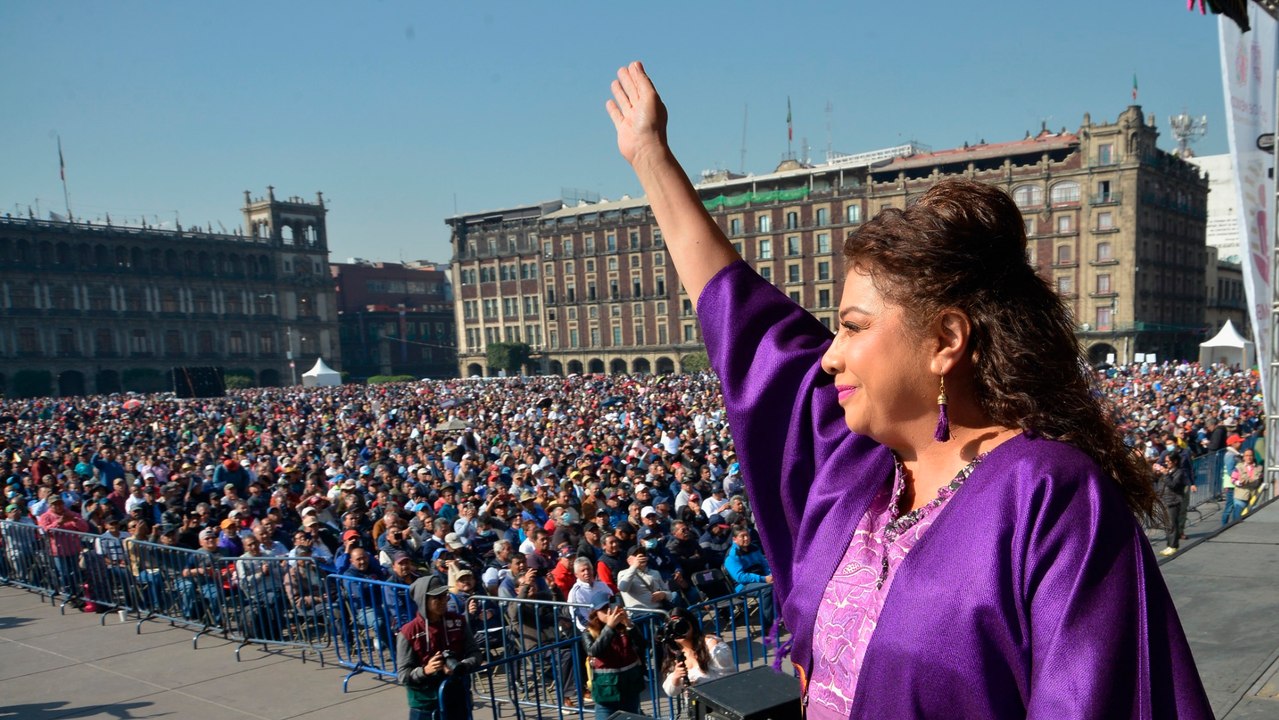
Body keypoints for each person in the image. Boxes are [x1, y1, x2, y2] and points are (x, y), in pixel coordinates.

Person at [605, 60, 1210, 717]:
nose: (829, 356)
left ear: (944, 339)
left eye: (852, 327)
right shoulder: (856, 473)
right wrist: (651, 158)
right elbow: (750, 331)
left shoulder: (1048, 496)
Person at [396, 574, 482, 720]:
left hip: (457, 695)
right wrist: (426, 670)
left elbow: (475, 653)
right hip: (425, 704)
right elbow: (403, 675)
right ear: (423, 600)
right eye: (437, 598)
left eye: (445, 595)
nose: (444, 601)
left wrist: (462, 665)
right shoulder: (408, 632)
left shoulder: (458, 621)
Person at [582, 595, 646, 720]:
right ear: (595, 613)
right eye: (604, 610)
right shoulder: (589, 632)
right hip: (606, 693)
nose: (609, 613)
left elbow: (642, 645)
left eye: (611, 608)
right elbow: (593, 651)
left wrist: (629, 624)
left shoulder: (625, 628)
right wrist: (609, 627)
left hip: (630, 689)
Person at [658, 606, 734, 698]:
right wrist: (676, 676)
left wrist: (699, 684)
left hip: (720, 699)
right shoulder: (674, 653)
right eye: (673, 627)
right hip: (696, 704)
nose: (678, 630)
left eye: (682, 625)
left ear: (692, 625)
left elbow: (728, 679)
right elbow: (671, 692)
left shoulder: (711, 646)